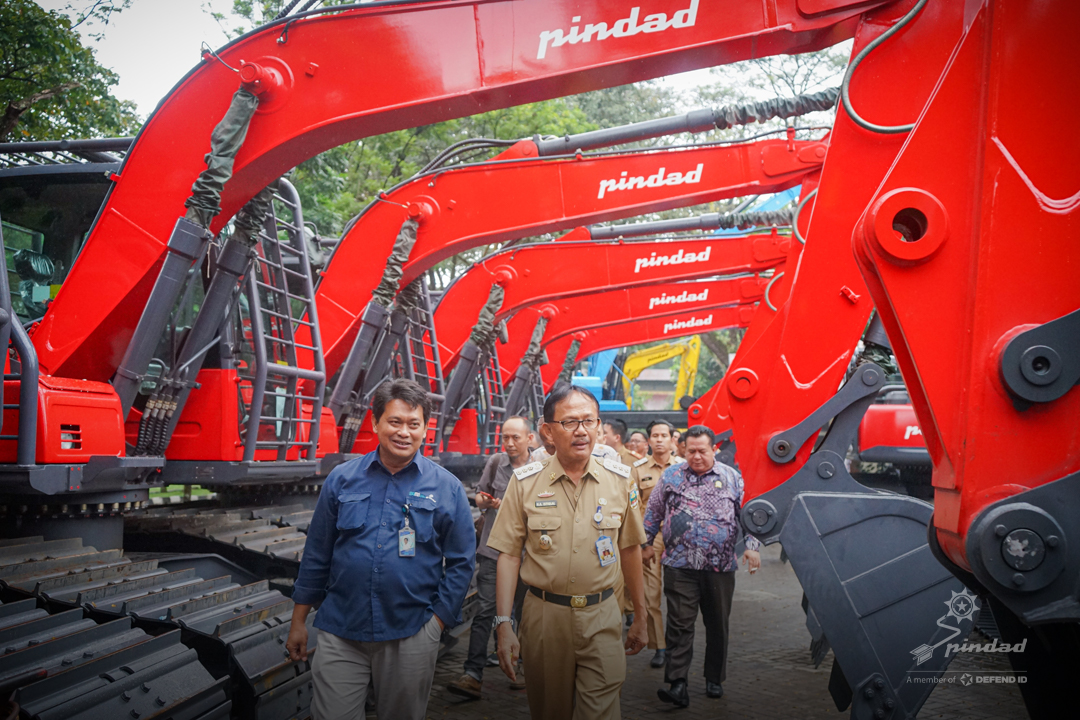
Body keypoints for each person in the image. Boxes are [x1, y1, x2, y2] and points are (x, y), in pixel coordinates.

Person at [287, 379, 476, 720]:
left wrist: (436, 623)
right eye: (395, 422)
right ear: (375, 423)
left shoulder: (446, 488)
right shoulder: (342, 479)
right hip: (342, 629)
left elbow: (462, 562)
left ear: (425, 429)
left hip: (411, 632)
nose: (404, 432)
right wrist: (299, 620)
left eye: (413, 424)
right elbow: (317, 553)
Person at [487, 384, 649, 720]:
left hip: (603, 615)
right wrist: (504, 623)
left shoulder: (619, 480)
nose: (581, 431)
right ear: (547, 431)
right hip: (545, 618)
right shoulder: (525, 482)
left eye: (589, 422)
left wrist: (641, 616)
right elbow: (509, 554)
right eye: (570, 422)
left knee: (601, 711)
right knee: (550, 711)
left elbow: (630, 548)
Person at [642, 425, 762, 708]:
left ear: (714, 450)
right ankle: (677, 683)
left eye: (702, 451)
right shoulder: (671, 476)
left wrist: (752, 548)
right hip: (679, 565)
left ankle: (714, 678)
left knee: (717, 624)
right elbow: (653, 512)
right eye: (691, 451)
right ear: (683, 449)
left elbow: (749, 515)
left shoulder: (732, 478)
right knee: (679, 624)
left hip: (719, 567)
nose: (696, 457)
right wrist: (645, 544)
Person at [447, 416, 535, 700]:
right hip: (493, 551)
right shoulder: (496, 463)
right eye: (505, 438)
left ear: (530, 439)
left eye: (515, 438)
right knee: (486, 611)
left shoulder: (541, 468)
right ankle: (472, 674)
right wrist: (485, 501)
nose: (509, 443)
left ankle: (519, 668)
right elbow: (480, 496)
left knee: (523, 615)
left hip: (527, 555)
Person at [630, 419, 682, 669]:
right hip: (651, 540)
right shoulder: (637, 469)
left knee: (681, 595)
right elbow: (633, 508)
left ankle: (678, 645)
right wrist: (643, 542)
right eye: (655, 435)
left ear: (673, 440)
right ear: (648, 440)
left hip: (682, 539)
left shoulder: (685, 467)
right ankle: (659, 646)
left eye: (664, 435)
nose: (659, 439)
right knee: (651, 595)